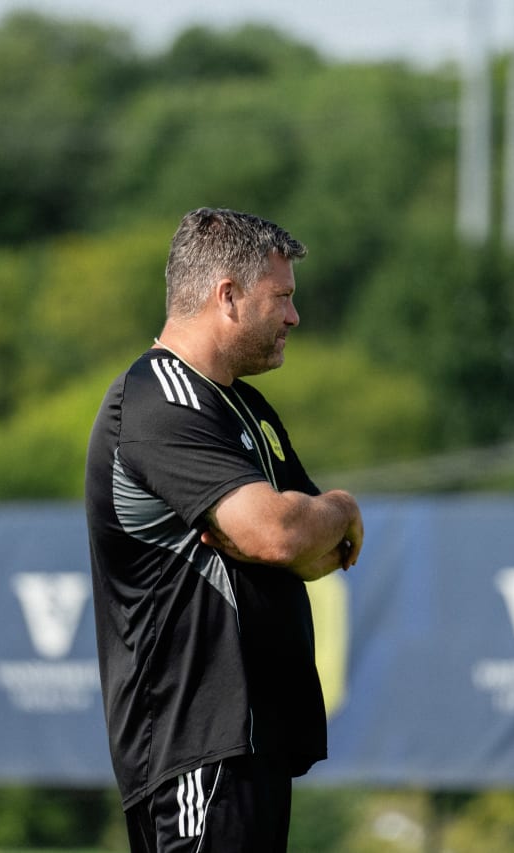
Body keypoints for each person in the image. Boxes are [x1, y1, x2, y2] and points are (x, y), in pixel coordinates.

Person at [84, 207, 365, 852]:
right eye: (283, 297)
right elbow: (281, 536)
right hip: (197, 746)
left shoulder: (242, 403)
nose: (295, 317)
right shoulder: (157, 401)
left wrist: (322, 518)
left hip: (252, 744)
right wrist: (327, 514)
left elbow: (320, 548)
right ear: (229, 297)